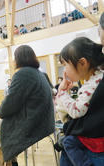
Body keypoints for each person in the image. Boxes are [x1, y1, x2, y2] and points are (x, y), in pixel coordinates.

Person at [0, 45, 54, 166]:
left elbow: (10, 103)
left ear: (21, 58)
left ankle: (7, 163)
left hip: (32, 124)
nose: (14, 60)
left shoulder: (23, 74)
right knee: (2, 127)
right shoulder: (38, 73)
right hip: (45, 122)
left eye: (15, 57)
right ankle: (12, 160)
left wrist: (1, 112)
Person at [59, 12, 104, 166]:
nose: (64, 69)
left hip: (95, 142)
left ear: (83, 63)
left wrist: (62, 93)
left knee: (68, 142)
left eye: (65, 63)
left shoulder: (91, 84)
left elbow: (76, 111)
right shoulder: (96, 77)